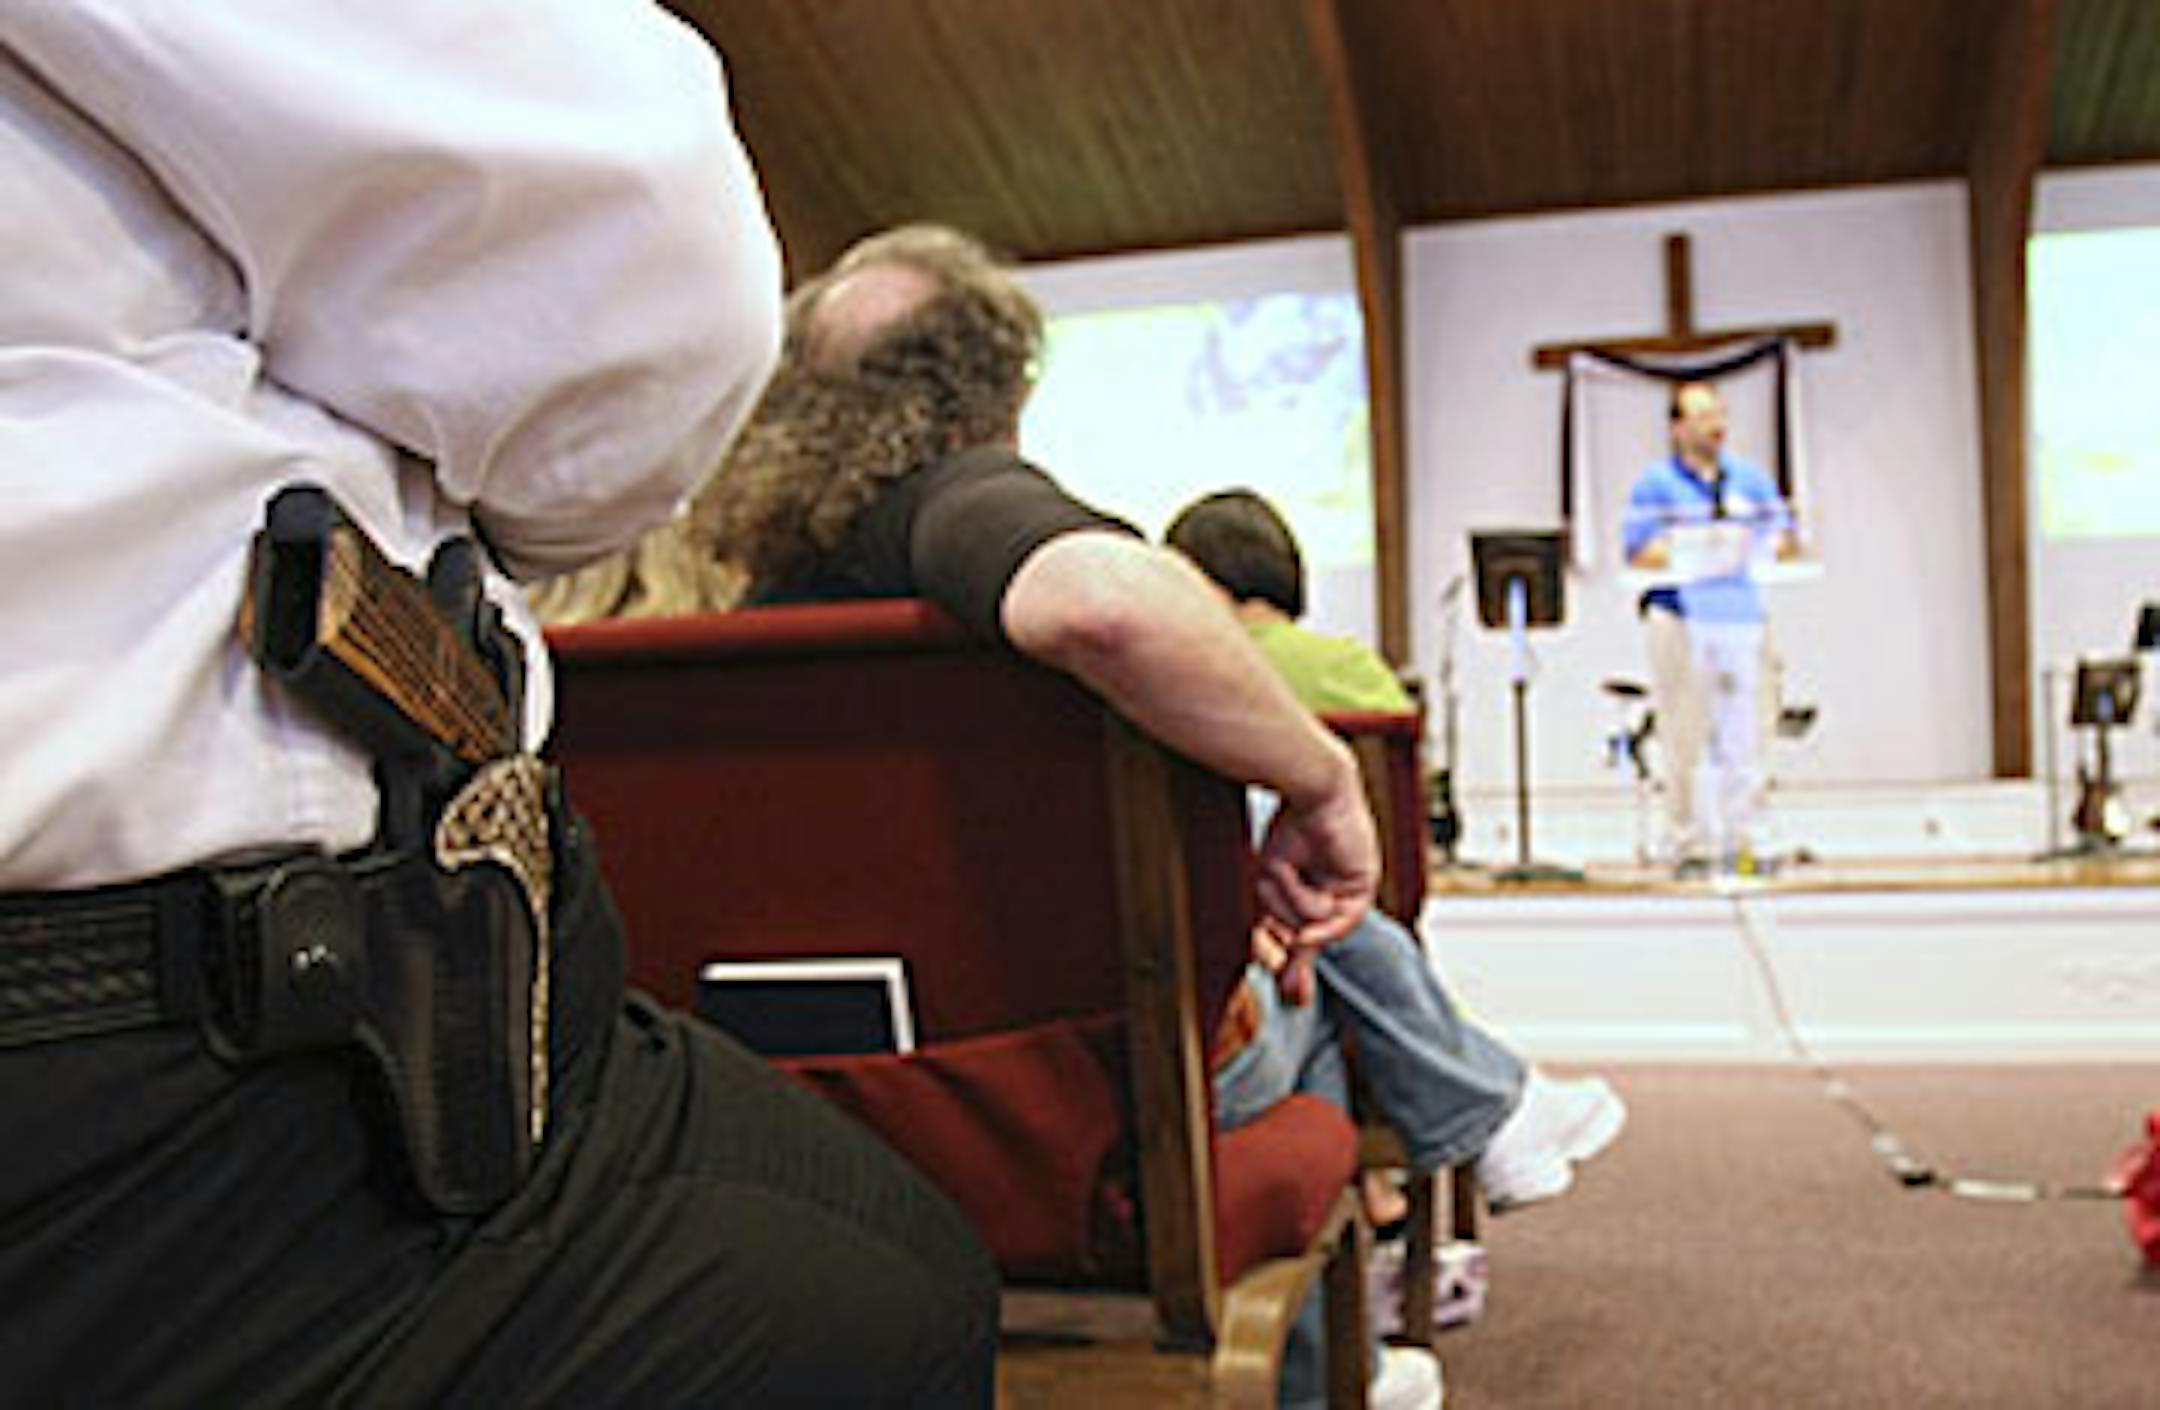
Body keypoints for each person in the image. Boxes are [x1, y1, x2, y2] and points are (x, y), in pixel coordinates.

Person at [0, 8, 996, 1406]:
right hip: (216, 1073)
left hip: (273, 1021)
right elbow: (635, 293)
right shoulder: (992, 554)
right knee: (895, 1291)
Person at [679, 224, 1431, 1410]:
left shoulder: (750, 600)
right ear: (999, 392)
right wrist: (1324, 781)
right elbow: (1104, 608)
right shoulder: (962, 501)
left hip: (799, 1121)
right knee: (1314, 984)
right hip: (1067, 1130)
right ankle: (1346, 1369)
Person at [1162, 491, 1627, 1281]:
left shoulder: (1194, 679)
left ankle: (1347, 1351)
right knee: (1330, 951)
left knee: (1311, 954)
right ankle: (1496, 1110)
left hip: (1252, 951)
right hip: (1348, 928)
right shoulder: (1358, 671)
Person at [1622, 380, 1795, 873]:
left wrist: (1749, 546)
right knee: (1683, 732)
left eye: (1718, 414)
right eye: (1700, 416)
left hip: (1741, 615)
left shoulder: (1749, 479)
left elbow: (1784, 538)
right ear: (1677, 428)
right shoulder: (1656, 485)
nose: (1714, 425)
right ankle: (1686, 838)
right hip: (1681, 616)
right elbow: (1639, 550)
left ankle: (1750, 835)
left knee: (1751, 731)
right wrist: (1701, 547)